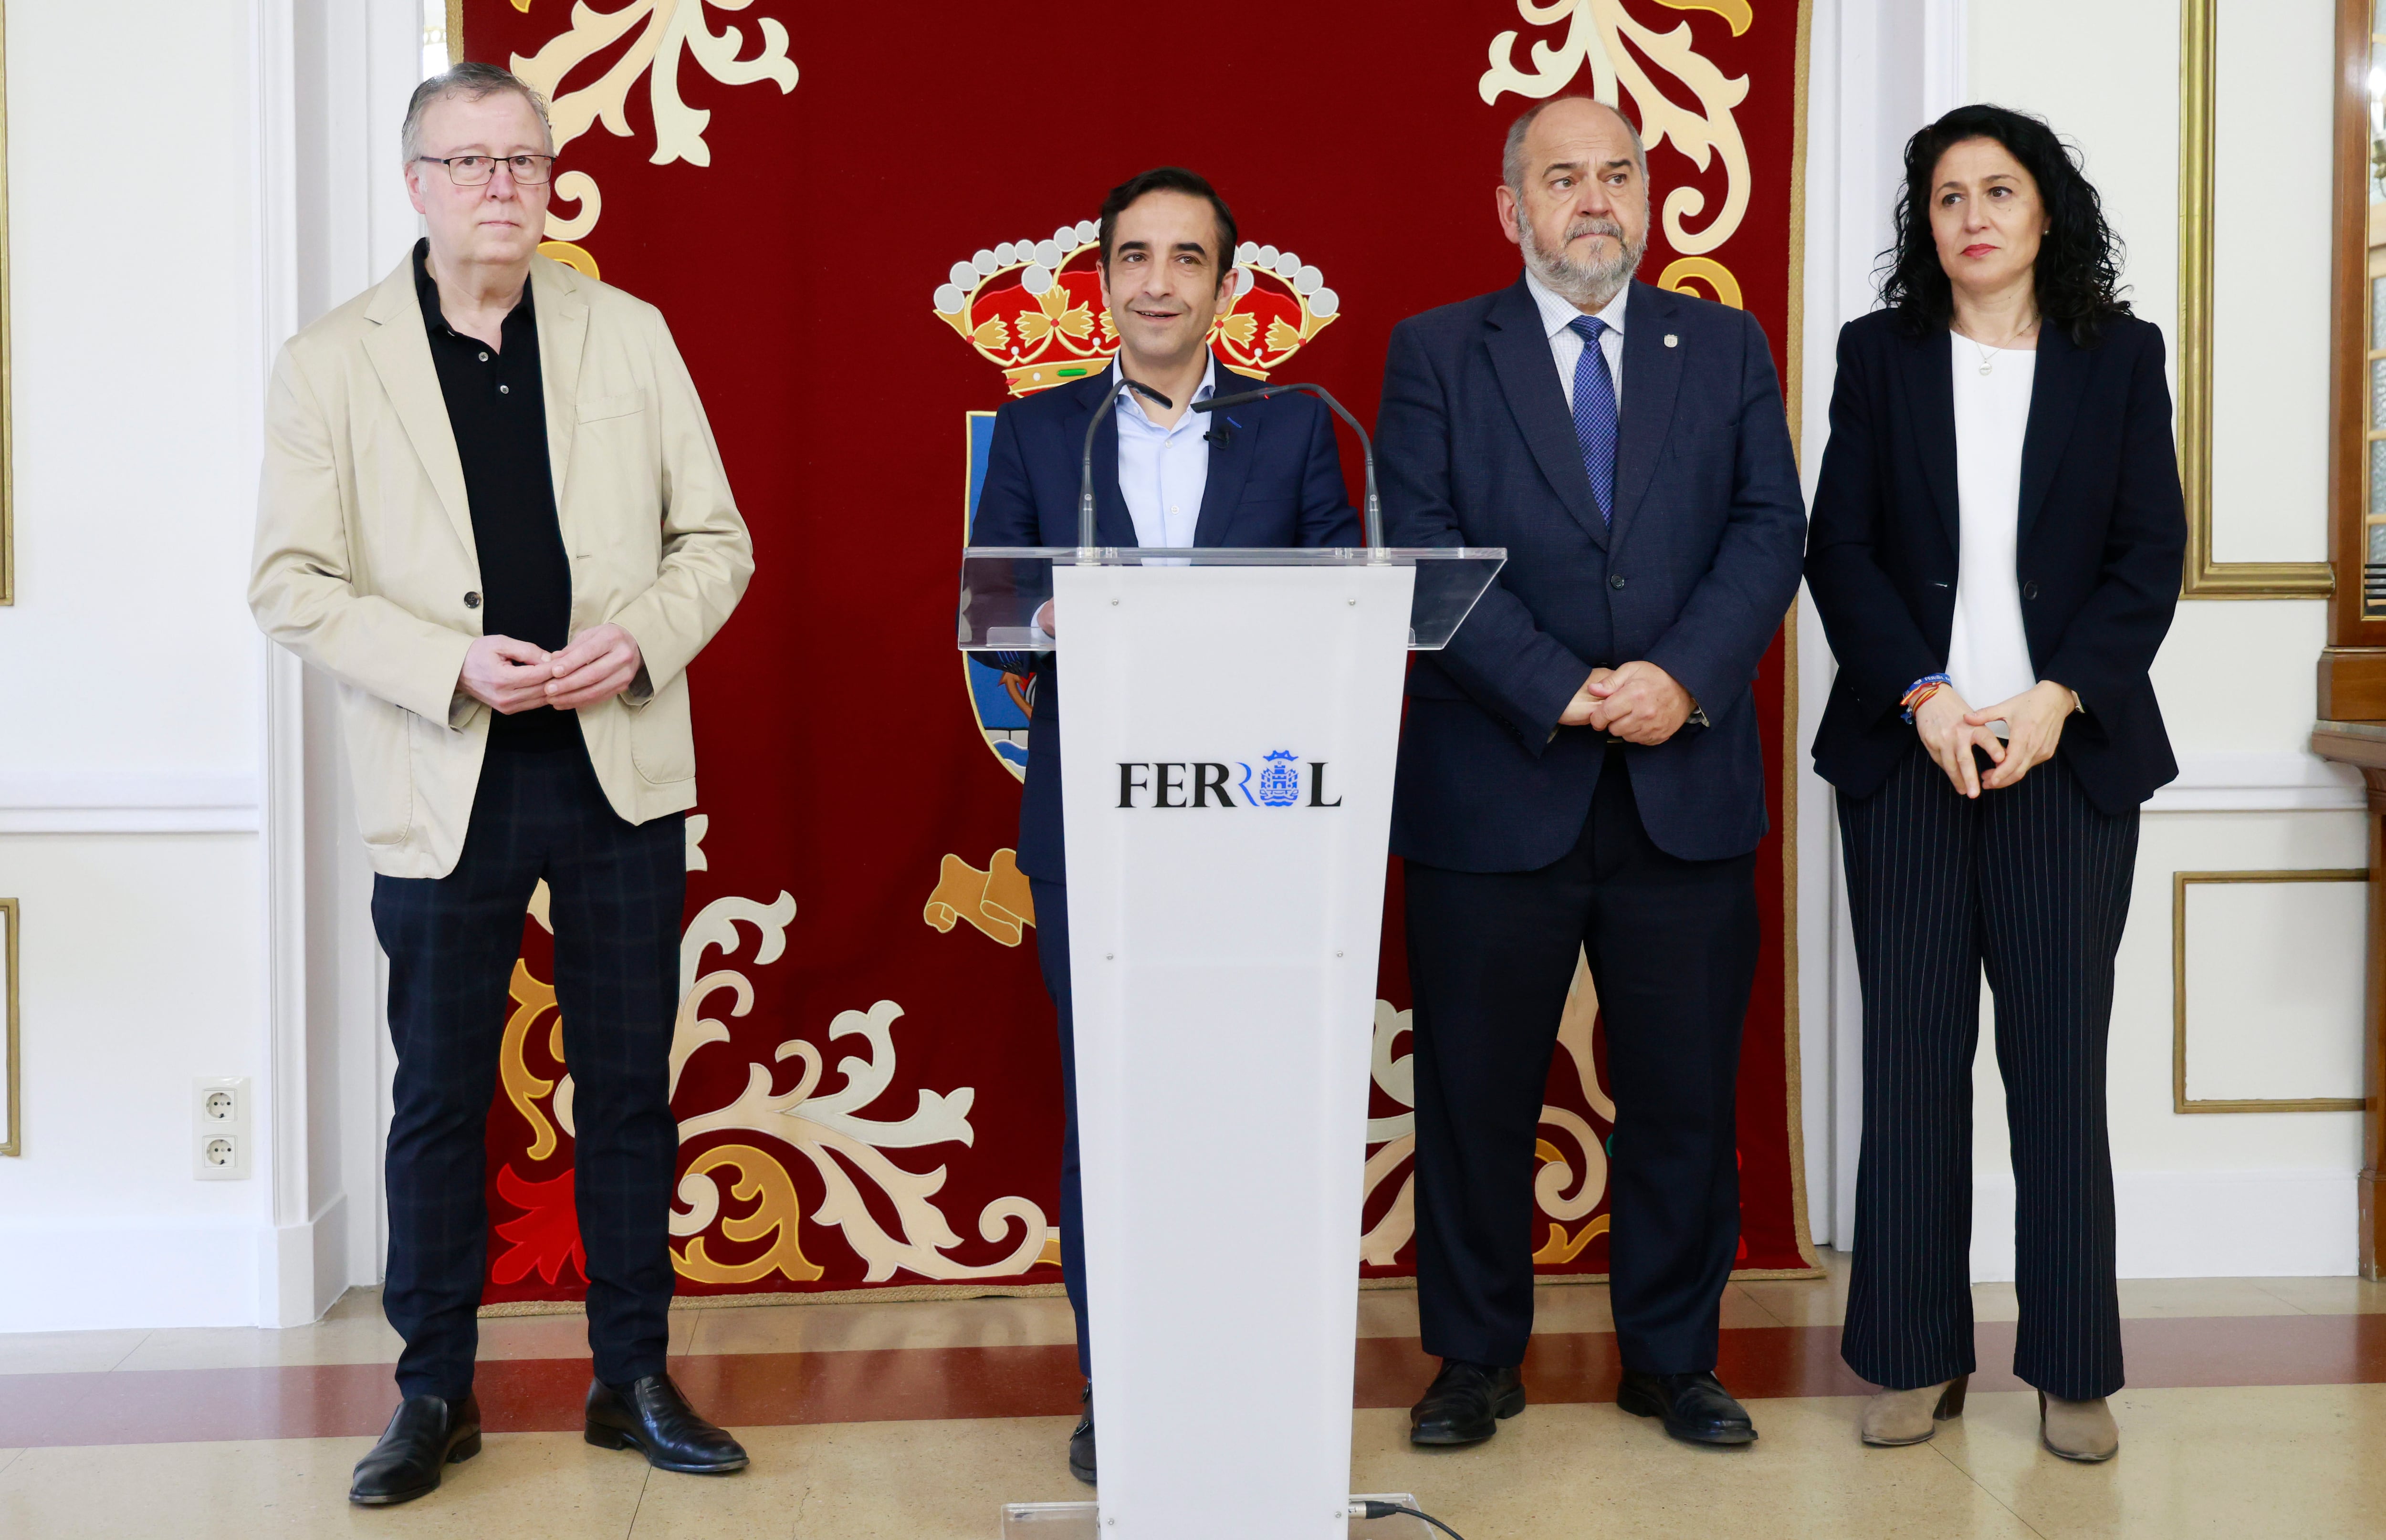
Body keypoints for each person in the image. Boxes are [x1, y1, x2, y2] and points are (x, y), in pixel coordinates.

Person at [249, 63, 755, 1504]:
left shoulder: (633, 336)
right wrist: (448, 664)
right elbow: (288, 584)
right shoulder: (329, 362)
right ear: (414, 185)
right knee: (439, 1102)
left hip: (616, 767)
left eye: (523, 160)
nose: (499, 187)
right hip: (443, 769)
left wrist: (639, 640)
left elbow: (714, 543)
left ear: (553, 179)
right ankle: (432, 1395)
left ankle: (633, 1375)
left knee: (628, 1095)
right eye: (468, 163)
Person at [1379, 96, 1806, 1450]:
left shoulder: (1723, 344)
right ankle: (1473, 1358)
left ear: (1649, 195)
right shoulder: (1438, 352)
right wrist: (1559, 687)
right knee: (1474, 1092)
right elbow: (1421, 549)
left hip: (1682, 782)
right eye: (1563, 178)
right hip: (1493, 784)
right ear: (1512, 209)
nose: (1595, 198)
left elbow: (1768, 525)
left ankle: (1675, 1357)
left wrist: (1679, 676)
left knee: (1683, 1092)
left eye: (1618, 173)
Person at [968, 166, 1361, 1484]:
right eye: (1134, 256)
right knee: (1118, 1113)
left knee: (1251, 1110)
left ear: (1223, 285)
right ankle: (1118, 1378)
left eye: (1185, 258)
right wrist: (1048, 618)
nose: (1157, 281)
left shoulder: (1301, 426)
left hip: (1255, 820)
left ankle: (1248, 1371)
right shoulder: (1040, 434)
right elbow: (994, 612)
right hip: (1096, 832)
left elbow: (1343, 608)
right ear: (1103, 277)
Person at [1804, 104, 2182, 1463]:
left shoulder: (2119, 356)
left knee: (2057, 1071)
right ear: (1928, 224)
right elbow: (1838, 547)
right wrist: (1925, 693)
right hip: (1911, 754)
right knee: (1911, 1065)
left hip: (2065, 760)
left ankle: (2074, 1365)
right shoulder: (1879, 357)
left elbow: (2151, 555)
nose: (1972, 214)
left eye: (1999, 191)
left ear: (2045, 212)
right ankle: (1914, 1358)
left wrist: (2056, 695)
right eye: (1947, 195)